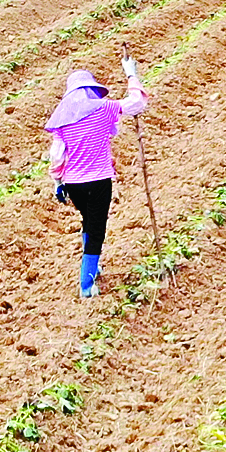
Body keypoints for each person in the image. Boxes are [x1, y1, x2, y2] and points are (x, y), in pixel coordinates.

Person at [44, 58, 149, 298]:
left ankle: (93, 267)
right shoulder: (103, 108)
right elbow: (136, 103)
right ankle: (86, 284)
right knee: (97, 229)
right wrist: (131, 74)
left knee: (88, 221)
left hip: (73, 183)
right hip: (99, 181)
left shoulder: (63, 120)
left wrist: (58, 183)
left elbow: (57, 155)